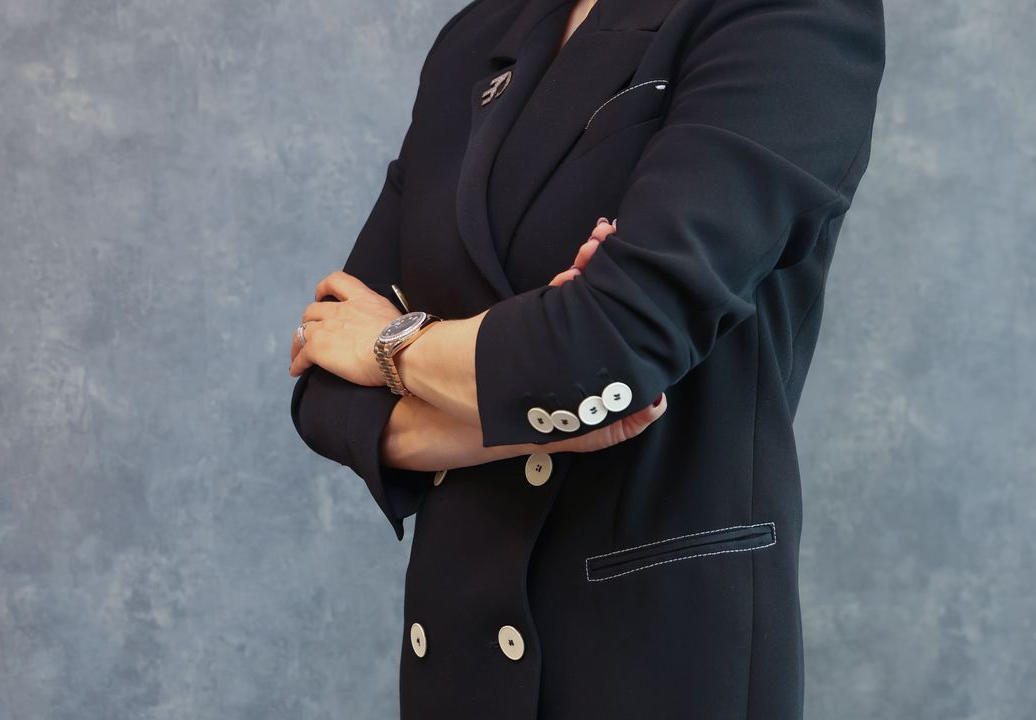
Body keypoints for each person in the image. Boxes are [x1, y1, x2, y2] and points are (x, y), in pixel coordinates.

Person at [289, 0, 885, 716]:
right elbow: (325, 379)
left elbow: (605, 347)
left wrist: (390, 344)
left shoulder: (790, 16)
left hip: (650, 659)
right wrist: (521, 414)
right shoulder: (479, 32)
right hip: (456, 663)